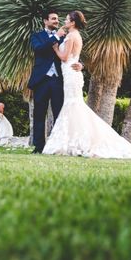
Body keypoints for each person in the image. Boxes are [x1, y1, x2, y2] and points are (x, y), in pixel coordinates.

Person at [42, 11, 131, 158]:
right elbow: (75, 57)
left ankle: (74, 141)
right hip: (73, 73)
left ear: (73, 22)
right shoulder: (77, 36)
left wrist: (55, 48)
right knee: (74, 105)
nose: (65, 21)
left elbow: (64, 57)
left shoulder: (70, 36)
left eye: (67, 19)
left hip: (70, 74)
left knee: (72, 105)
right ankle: (76, 141)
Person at [27, 10, 82, 153]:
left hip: (59, 81)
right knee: (39, 114)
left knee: (60, 113)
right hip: (42, 80)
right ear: (45, 21)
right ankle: (39, 147)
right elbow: (39, 49)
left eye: (57, 19)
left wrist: (81, 65)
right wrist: (55, 37)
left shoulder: (67, 36)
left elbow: (73, 52)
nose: (56, 21)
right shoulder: (37, 36)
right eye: (53, 19)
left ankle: (59, 146)